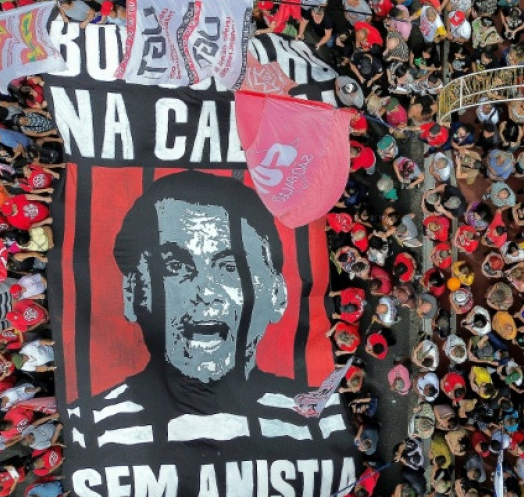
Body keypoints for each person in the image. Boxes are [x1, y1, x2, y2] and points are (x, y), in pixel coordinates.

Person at [66, 172, 357, 494]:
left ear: (277, 294)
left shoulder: (324, 424)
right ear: (132, 294)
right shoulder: (86, 433)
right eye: (174, 267)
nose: (204, 291)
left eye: (232, 268)